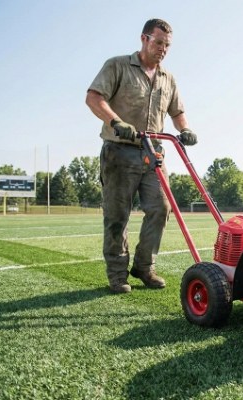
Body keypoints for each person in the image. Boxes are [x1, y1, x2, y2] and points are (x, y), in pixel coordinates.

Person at [86, 18, 197, 294]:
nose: (163, 49)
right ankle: (117, 275)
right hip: (119, 151)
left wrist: (185, 129)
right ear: (144, 39)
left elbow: (176, 111)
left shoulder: (168, 78)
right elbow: (93, 97)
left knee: (161, 208)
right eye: (158, 42)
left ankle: (144, 266)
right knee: (117, 215)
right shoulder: (118, 65)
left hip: (153, 154)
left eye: (167, 45)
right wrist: (116, 123)